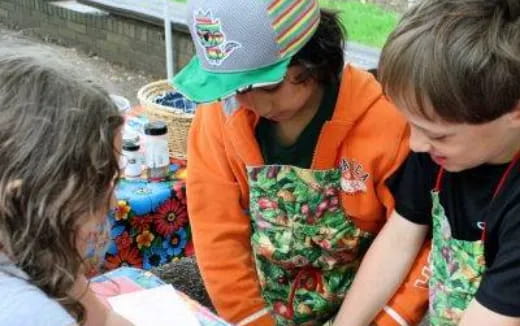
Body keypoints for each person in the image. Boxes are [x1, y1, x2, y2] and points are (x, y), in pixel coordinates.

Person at [172, 0, 430, 325]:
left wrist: (388, 320)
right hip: (260, 308)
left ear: (314, 59)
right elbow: (217, 235)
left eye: (269, 86)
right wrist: (252, 319)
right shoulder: (218, 117)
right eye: (235, 89)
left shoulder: (386, 123)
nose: (253, 103)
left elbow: (417, 238)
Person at [333, 0, 520, 325]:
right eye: (410, 124)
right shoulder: (434, 151)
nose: (416, 144)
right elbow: (399, 239)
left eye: (440, 135)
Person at [0, 41, 132, 326]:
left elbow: (104, 320)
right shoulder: (29, 314)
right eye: (98, 183)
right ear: (22, 198)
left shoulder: (22, 247)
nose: (112, 202)